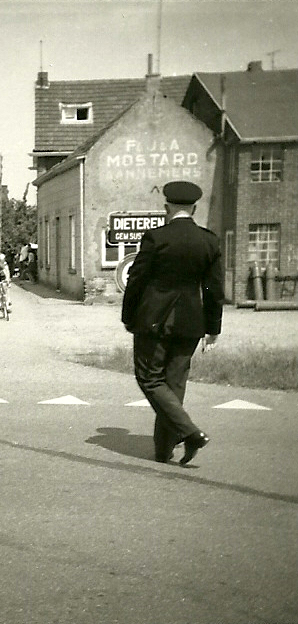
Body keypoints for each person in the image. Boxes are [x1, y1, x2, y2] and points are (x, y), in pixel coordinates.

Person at [121, 181, 224, 466]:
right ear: (195, 208)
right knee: (174, 382)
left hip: (153, 319)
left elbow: (136, 281)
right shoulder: (210, 240)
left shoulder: (156, 238)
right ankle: (164, 450)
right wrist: (213, 327)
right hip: (192, 321)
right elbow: (214, 289)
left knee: (150, 378)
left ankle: (190, 433)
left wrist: (128, 317)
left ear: (166, 207)